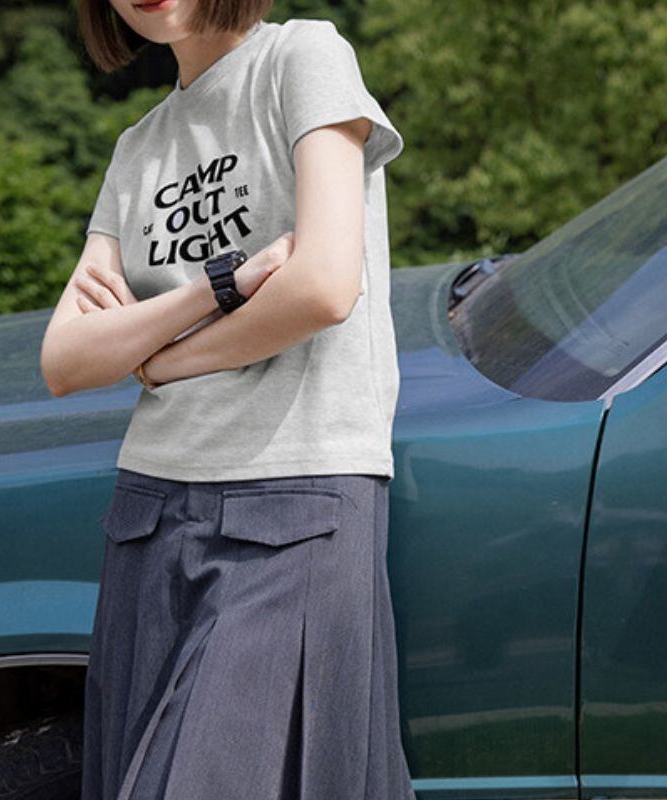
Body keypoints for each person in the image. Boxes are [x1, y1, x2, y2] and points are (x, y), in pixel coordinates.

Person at [40, 1, 417, 798]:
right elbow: (66, 359)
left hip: (296, 496)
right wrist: (218, 287)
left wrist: (162, 360)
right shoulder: (139, 146)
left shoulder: (302, 58)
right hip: (148, 512)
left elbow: (323, 287)